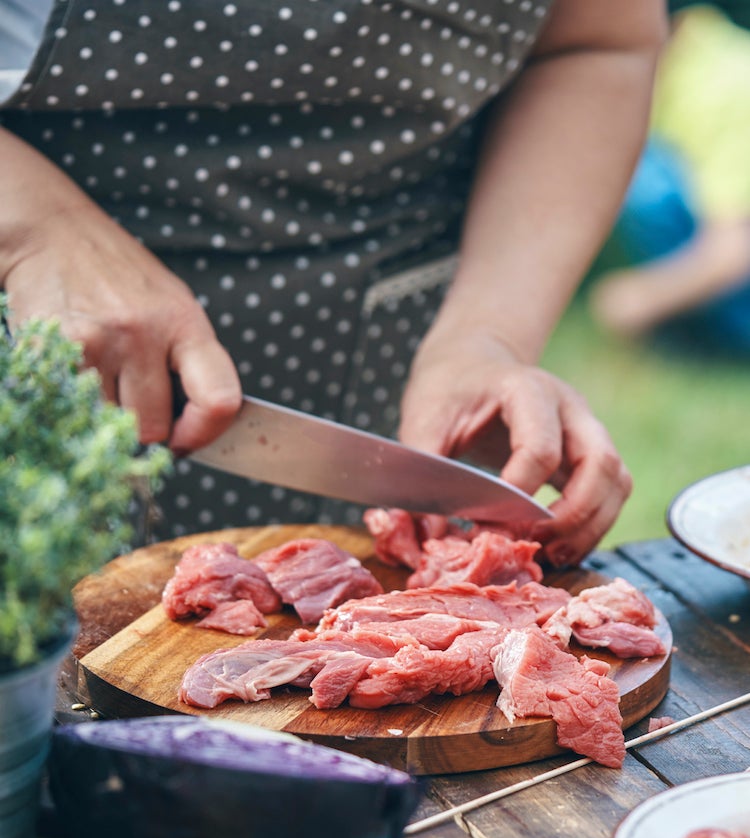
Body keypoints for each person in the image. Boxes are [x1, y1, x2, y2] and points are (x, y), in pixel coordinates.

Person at [0, 1, 667, 567]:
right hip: (32, 340)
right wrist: (34, 230)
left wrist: (485, 336)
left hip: (385, 368)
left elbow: (595, 42)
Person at [589, 3, 750, 353]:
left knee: (644, 173)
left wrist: (637, 299)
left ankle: (705, 334)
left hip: (734, 267)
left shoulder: (729, 87)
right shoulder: (684, 61)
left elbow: (734, 251)